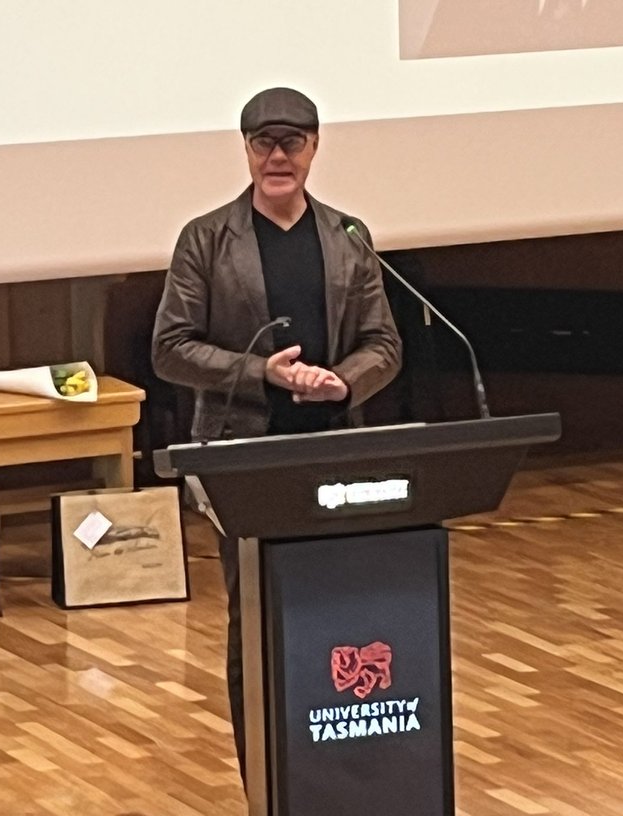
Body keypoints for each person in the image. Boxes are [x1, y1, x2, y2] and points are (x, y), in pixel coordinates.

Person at [151, 86, 402, 780]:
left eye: (292, 142)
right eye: (264, 142)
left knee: (339, 607)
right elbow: (170, 349)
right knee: (257, 617)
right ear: (246, 150)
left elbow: (384, 342)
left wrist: (343, 382)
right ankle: (262, 775)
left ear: (316, 148)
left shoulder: (348, 236)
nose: (277, 156)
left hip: (334, 447)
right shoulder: (206, 238)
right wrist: (267, 373)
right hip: (244, 455)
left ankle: (338, 763)